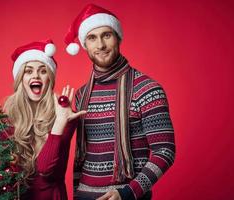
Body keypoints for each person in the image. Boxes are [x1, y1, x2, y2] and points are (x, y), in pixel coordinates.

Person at [64, 4, 176, 200]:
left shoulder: (147, 89)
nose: (100, 45)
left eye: (106, 35)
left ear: (118, 37)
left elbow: (165, 151)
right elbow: (81, 155)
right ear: (85, 45)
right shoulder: (82, 94)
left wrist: (127, 193)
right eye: (92, 38)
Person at [4, 39, 86, 200]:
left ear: (50, 78)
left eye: (42, 71)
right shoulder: (5, 120)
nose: (35, 75)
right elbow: (1, 177)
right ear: (21, 79)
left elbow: (45, 168)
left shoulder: (65, 116)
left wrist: (59, 122)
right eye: (28, 71)